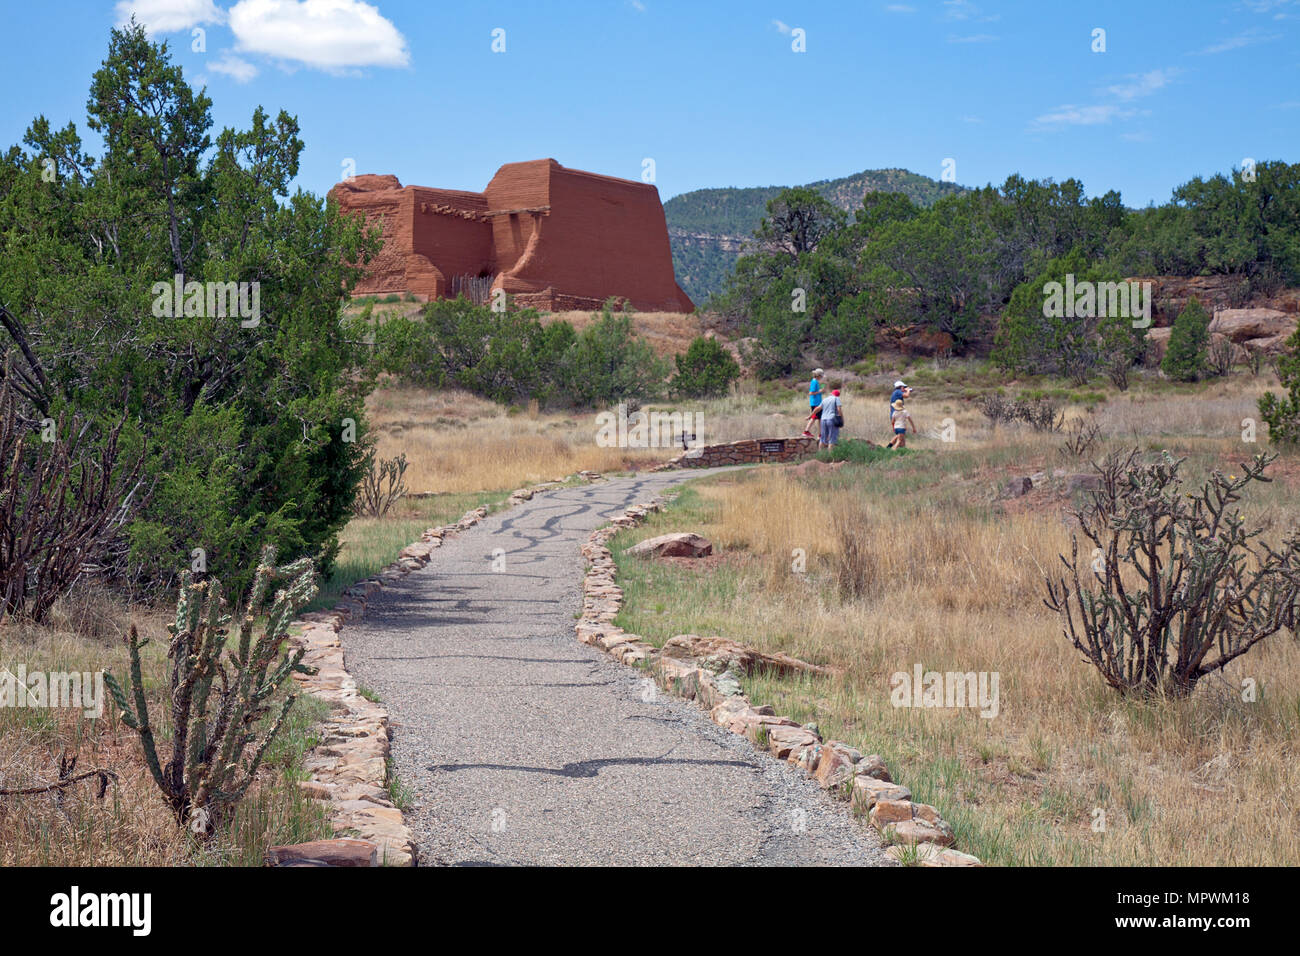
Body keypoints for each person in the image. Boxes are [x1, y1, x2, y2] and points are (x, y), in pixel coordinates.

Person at [802, 368, 825, 437]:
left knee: (819, 418)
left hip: (817, 402)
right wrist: (819, 391)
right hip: (815, 403)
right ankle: (806, 431)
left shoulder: (815, 382)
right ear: (818, 376)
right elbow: (811, 393)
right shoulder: (814, 382)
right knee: (814, 418)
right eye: (821, 376)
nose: (821, 377)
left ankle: (820, 434)